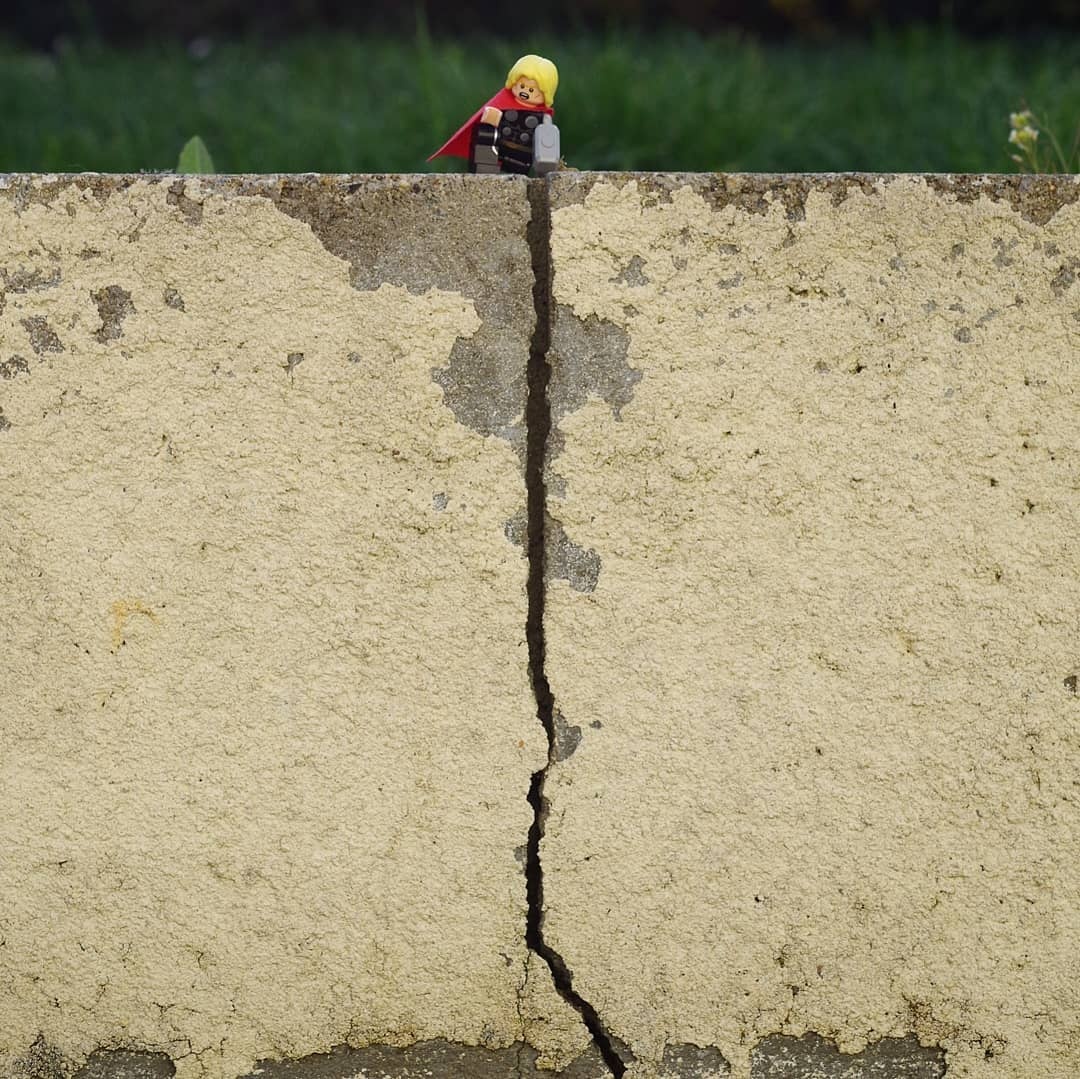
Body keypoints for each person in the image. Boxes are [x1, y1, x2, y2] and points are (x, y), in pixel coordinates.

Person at [429, 54, 560, 175]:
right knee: (485, 132)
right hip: (502, 148)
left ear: (545, 93)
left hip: (523, 155)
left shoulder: (543, 118)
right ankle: (484, 167)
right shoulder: (503, 108)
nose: (525, 92)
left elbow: (547, 139)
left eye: (531, 90)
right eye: (522, 86)